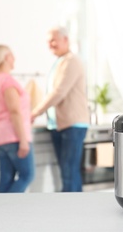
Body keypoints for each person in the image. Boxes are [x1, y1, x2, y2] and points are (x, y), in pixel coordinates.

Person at [31, 27, 90, 192]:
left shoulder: (71, 61)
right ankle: (74, 212)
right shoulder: (60, 61)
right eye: (48, 41)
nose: (50, 44)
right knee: (68, 173)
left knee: (69, 174)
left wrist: (35, 112)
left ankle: (71, 214)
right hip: (60, 125)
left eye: (53, 40)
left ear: (66, 40)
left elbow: (59, 92)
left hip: (72, 124)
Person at [0, 45, 35, 193]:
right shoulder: (7, 81)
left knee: (6, 180)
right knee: (27, 175)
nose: (15, 59)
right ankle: (5, 210)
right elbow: (14, 112)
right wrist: (23, 140)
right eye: (12, 56)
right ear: (6, 58)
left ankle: (0, 214)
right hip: (14, 137)